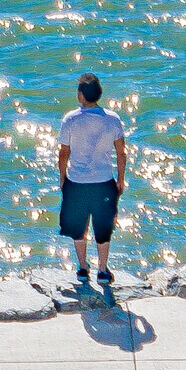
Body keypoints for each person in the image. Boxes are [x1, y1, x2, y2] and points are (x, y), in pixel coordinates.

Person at [57, 72, 127, 287]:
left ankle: (82, 267)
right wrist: (121, 179)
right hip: (104, 180)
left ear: (81, 95)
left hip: (77, 181)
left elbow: (64, 152)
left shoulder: (70, 119)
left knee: (79, 227)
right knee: (103, 227)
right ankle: (103, 270)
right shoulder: (113, 119)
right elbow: (121, 152)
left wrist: (62, 178)